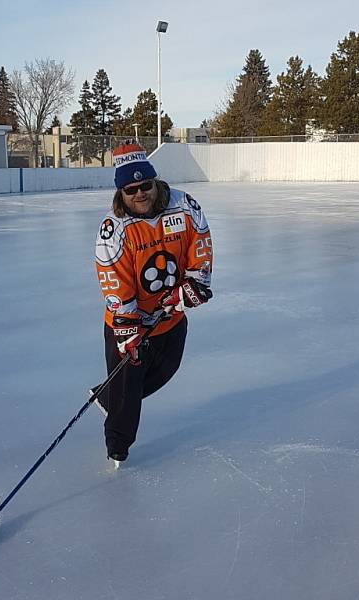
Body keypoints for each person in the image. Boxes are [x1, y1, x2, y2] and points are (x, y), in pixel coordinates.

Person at [94, 141, 213, 466]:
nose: (140, 194)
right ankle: (118, 445)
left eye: (145, 185)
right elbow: (113, 277)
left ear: (154, 181)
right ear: (121, 193)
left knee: (166, 370)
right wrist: (127, 324)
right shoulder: (113, 229)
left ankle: (109, 395)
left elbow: (200, 243)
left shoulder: (184, 206)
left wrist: (195, 282)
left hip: (170, 316)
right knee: (129, 389)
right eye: (130, 189)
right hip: (129, 319)